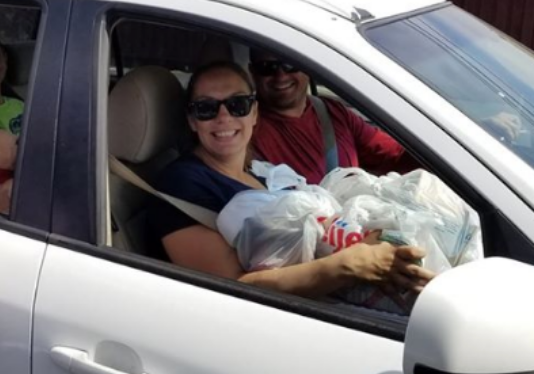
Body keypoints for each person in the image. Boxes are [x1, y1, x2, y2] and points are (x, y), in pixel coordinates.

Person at [147, 60, 433, 299]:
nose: (224, 117)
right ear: (192, 120)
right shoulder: (181, 185)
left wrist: (366, 239)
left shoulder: (264, 171)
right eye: (206, 108)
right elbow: (231, 288)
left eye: (238, 105)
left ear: (254, 113)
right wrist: (349, 264)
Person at [249, 49, 415, 184]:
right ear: (253, 72)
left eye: (290, 64)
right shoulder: (243, 128)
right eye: (267, 67)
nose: (281, 76)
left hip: (351, 219)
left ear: (306, 66)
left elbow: (394, 155)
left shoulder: (331, 111)